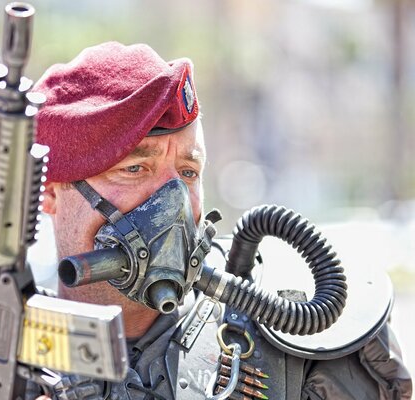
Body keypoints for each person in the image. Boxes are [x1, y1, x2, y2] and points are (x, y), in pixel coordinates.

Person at [29, 41, 412, 399]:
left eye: (188, 172)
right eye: (134, 169)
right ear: (50, 194)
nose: (174, 203)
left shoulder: (298, 345)